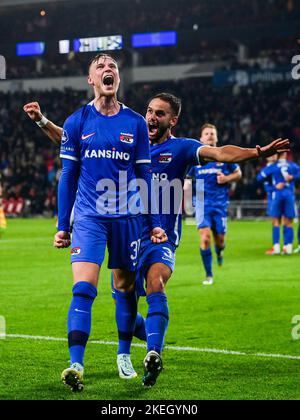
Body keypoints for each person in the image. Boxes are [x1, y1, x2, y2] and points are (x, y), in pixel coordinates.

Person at [24, 92, 289, 389]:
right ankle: (142, 342)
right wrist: (43, 122)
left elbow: (221, 153)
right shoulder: (130, 140)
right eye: (149, 111)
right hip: (125, 231)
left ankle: (153, 352)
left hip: (161, 236)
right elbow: (74, 142)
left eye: (159, 113)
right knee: (124, 301)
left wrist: (257, 152)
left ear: (172, 120)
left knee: (156, 285)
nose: (151, 117)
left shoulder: (182, 149)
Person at [24, 53, 167, 392]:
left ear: (118, 78)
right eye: (101, 67)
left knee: (125, 289)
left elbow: (145, 176)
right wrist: (63, 224)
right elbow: (68, 175)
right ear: (91, 79)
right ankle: (76, 363)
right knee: (84, 288)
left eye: (113, 67)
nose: (108, 70)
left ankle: (123, 354)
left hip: (127, 218)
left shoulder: (134, 122)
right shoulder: (77, 122)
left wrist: (154, 222)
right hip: (89, 218)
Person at [185, 124, 242, 285]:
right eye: (207, 133)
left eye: (212, 133)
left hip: (220, 204)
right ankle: (209, 275)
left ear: (216, 138)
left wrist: (226, 179)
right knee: (205, 239)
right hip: (202, 203)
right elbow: (188, 178)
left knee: (220, 241)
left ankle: (220, 252)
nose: (210, 136)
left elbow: (238, 173)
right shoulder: (196, 160)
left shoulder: (223, 157)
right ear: (201, 138)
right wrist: (186, 187)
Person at [257, 152, 299, 255]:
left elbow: (259, 178)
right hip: (289, 194)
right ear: (285, 154)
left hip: (277, 195)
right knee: (288, 221)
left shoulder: (273, 166)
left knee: (276, 221)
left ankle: (276, 247)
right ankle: (287, 247)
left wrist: (272, 186)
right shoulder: (292, 165)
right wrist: (292, 177)